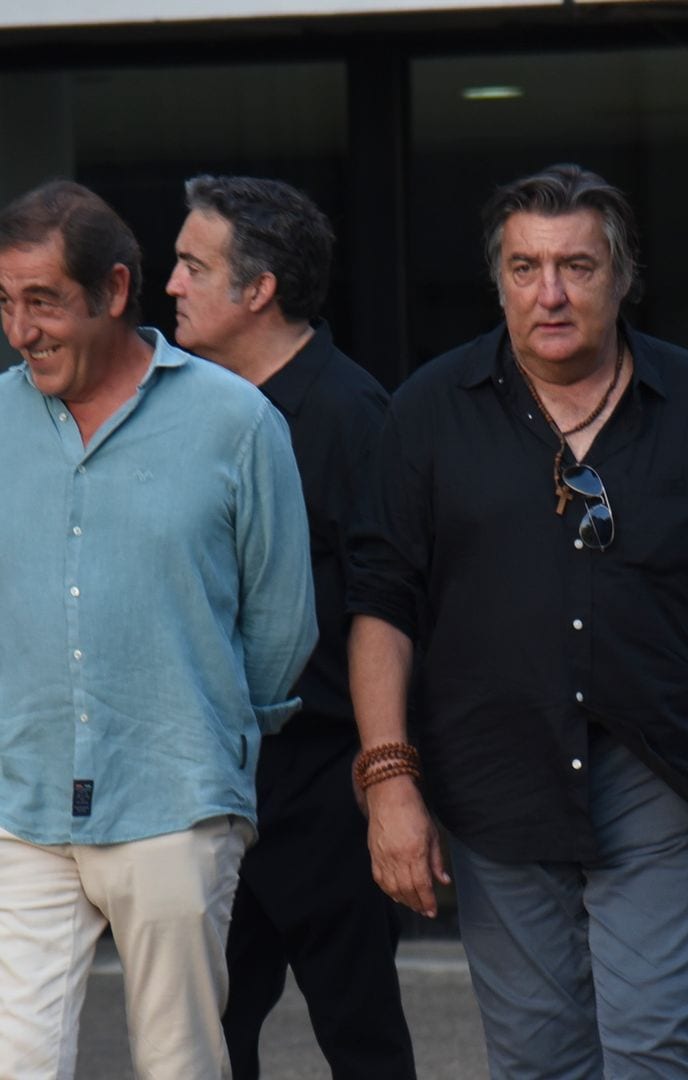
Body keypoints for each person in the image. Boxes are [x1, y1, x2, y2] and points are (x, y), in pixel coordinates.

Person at [347, 163, 688, 1078]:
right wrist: (390, 782)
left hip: (657, 772)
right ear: (498, 278)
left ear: (621, 278)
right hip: (493, 780)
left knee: (654, 1047)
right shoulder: (429, 410)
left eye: (577, 267)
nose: (550, 294)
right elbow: (383, 603)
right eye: (525, 267)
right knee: (538, 1059)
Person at [0, 180, 316, 1080]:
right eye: (6, 303)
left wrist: (211, 731)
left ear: (114, 290)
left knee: (180, 1061)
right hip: (19, 805)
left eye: (45, 303)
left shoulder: (236, 422)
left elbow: (282, 621)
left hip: (175, 800)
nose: (23, 331)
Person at [166, 175, 416, 1079]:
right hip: (214, 778)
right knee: (207, 1040)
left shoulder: (353, 417)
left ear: (259, 290)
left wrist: (386, 781)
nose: (171, 285)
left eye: (194, 265)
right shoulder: (186, 409)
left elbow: (388, 608)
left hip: (323, 781)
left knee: (362, 1038)